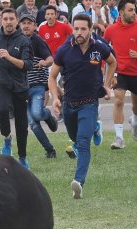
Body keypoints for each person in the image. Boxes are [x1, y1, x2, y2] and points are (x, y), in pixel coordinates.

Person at [49, 13, 117, 199]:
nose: (79, 32)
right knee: (74, 137)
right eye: (76, 28)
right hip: (69, 104)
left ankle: (78, 183)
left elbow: (112, 62)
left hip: (89, 103)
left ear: (90, 29)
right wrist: (55, 97)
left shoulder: (99, 47)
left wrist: (107, 83)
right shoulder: (64, 50)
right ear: (72, 28)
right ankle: (96, 127)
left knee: (83, 143)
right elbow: (52, 77)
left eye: (83, 29)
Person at [0, 8, 33, 169]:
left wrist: (10, 58)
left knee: (21, 124)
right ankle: (7, 138)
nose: (8, 22)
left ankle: (22, 157)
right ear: (0, 21)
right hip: (1, 83)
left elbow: (28, 65)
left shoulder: (24, 41)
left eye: (11, 19)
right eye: (5, 19)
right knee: (2, 110)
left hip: (20, 86)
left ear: (16, 21)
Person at [20, 14, 58, 158]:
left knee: (37, 113)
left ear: (35, 26)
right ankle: (50, 150)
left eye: (29, 23)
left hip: (37, 85)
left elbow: (50, 59)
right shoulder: (16, 41)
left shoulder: (38, 41)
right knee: (33, 123)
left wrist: (45, 62)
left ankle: (48, 115)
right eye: (23, 23)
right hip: (21, 89)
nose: (26, 26)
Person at [104, 0, 137, 149]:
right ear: (122, 12)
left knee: (135, 108)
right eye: (130, 10)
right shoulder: (111, 30)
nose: (134, 13)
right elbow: (102, 49)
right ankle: (119, 138)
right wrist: (109, 74)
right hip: (120, 72)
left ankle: (134, 121)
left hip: (135, 73)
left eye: (135, 10)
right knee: (118, 101)